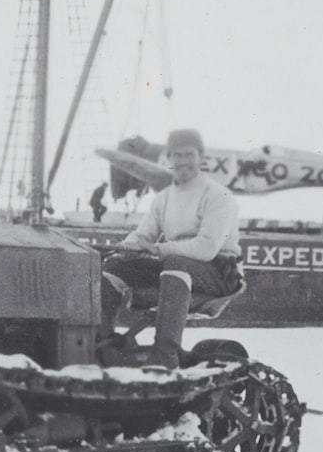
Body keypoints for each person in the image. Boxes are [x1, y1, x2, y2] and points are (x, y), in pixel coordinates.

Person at [100, 128, 242, 367]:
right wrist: (124, 247)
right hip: (176, 265)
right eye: (177, 155)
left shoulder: (218, 196)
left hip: (219, 272)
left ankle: (165, 355)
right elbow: (144, 234)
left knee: (175, 263)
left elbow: (206, 248)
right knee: (113, 265)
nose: (183, 161)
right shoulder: (164, 198)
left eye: (189, 154)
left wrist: (160, 250)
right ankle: (104, 344)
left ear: (200, 157)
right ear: (169, 157)